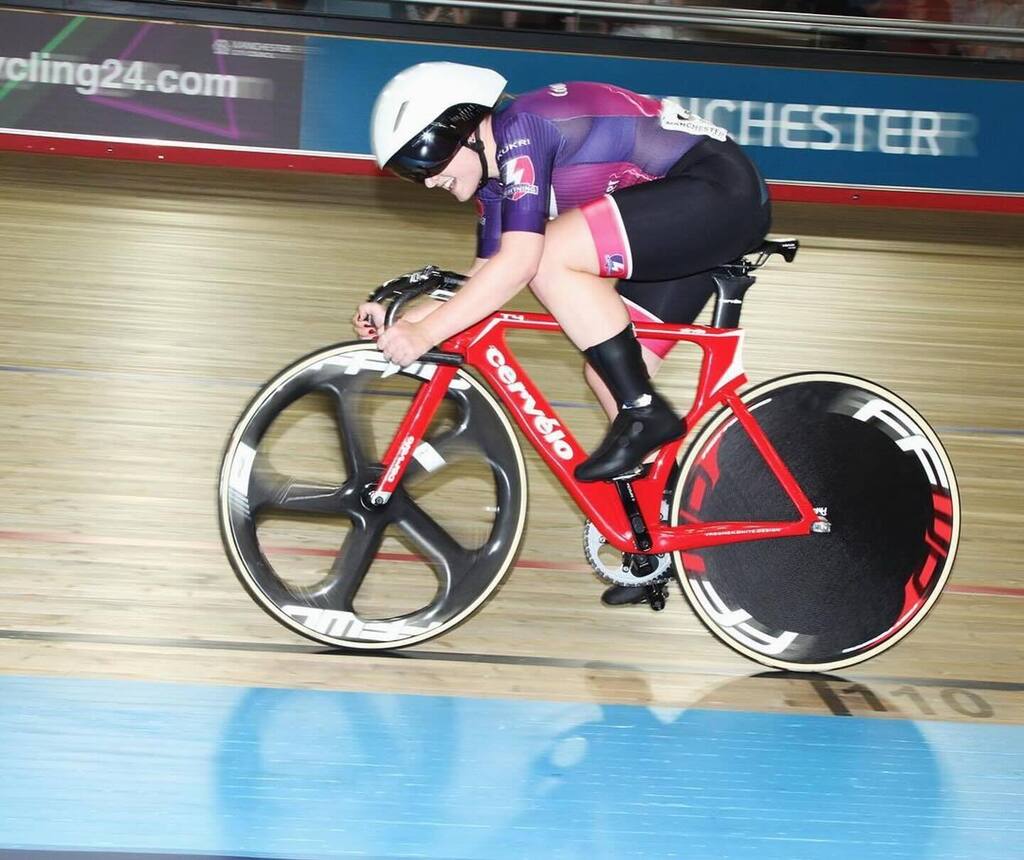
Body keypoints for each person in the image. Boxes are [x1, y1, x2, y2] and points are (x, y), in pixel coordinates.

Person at [353, 62, 771, 606]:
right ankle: (657, 544)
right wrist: (408, 320)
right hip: (683, 211)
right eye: (415, 175)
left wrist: (426, 333)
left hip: (717, 192)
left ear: (460, 128)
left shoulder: (524, 127)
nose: (429, 181)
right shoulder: (498, 181)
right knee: (608, 371)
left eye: (427, 163)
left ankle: (645, 410)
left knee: (548, 258)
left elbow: (522, 262)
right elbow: (485, 277)